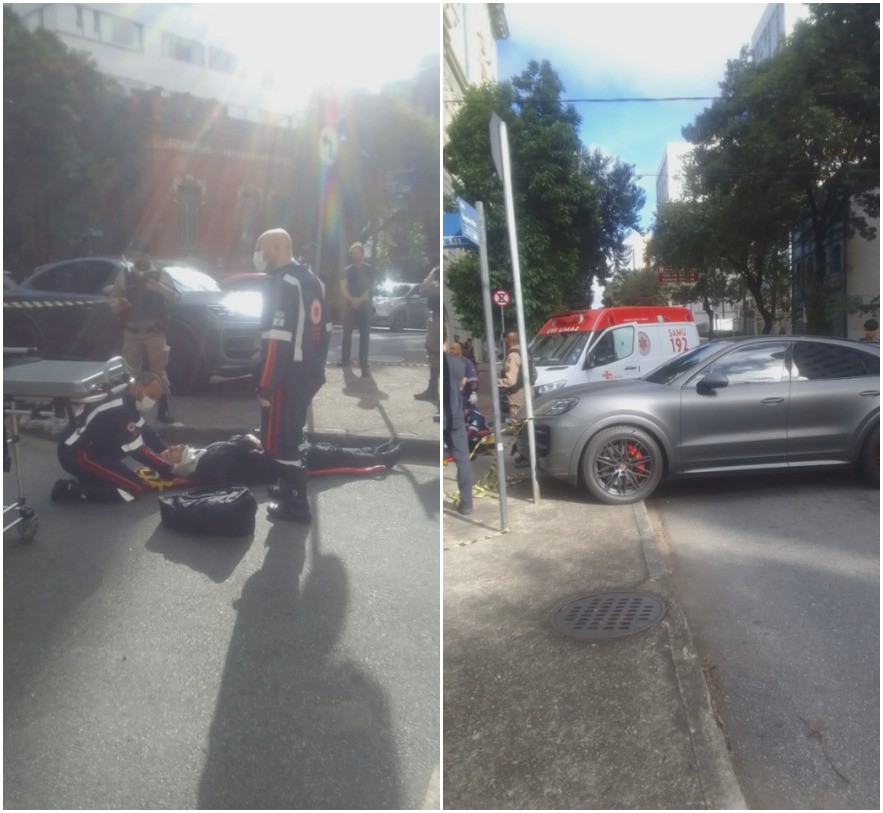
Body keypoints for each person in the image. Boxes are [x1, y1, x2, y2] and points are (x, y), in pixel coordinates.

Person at [254, 228, 331, 522]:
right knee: (294, 432)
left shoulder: (283, 283)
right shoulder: (313, 279)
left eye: (262, 249)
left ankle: (296, 504)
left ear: (277, 247)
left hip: (286, 374)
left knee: (281, 438)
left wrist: (266, 385)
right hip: (308, 371)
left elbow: (277, 340)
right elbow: (325, 331)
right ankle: (287, 488)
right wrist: (316, 367)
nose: (259, 256)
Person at [51, 371, 175, 503]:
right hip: (77, 453)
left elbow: (144, 429)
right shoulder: (121, 410)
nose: (152, 402)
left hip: (83, 444)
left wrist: (165, 450)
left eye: (156, 399)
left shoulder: (126, 397)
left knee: (122, 453)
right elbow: (137, 450)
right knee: (134, 487)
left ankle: (95, 476)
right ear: (139, 386)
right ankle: (71, 490)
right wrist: (167, 469)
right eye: (151, 396)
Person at [108, 236, 181, 423]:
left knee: (159, 371)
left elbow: (176, 298)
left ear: (149, 255)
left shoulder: (160, 275)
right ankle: (130, 410)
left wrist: (160, 288)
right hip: (132, 331)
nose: (137, 259)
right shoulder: (125, 275)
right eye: (135, 255)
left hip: (154, 332)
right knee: (130, 372)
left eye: (141, 255)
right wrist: (119, 304)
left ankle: (163, 409)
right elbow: (112, 300)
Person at [158, 435, 406, 485]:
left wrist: (246, 440)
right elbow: (235, 449)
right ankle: (386, 457)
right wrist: (247, 439)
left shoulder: (202, 454)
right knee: (333, 455)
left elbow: (234, 444)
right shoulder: (205, 465)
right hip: (276, 465)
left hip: (272, 453)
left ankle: (377, 449)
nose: (173, 445)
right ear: (177, 465)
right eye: (169, 452)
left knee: (332, 450)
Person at [443, 337, 473, 515]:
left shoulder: (434, 361)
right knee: (463, 460)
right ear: (445, 343)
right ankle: (467, 504)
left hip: (440, 419)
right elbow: (462, 384)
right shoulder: (458, 364)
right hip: (455, 417)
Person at [338, 241, 374, 377]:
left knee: (364, 336)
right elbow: (342, 288)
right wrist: (352, 299)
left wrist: (359, 300)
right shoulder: (347, 270)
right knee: (346, 334)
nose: (355, 255)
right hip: (349, 307)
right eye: (353, 253)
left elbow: (370, 289)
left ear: (362, 253)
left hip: (364, 307)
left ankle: (364, 364)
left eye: (357, 252)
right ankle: (345, 360)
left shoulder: (369, 270)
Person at [414, 266, 440, 404]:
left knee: (436, 354)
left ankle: (434, 391)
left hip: (439, 320)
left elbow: (424, 289)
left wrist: (431, 275)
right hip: (437, 318)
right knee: (434, 355)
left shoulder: (438, 281)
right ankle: (432, 389)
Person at [498, 329, 526, 426]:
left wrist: (496, 382)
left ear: (506, 341)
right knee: (527, 422)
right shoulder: (525, 351)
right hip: (528, 390)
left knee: (517, 425)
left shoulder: (513, 355)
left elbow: (510, 381)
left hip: (517, 394)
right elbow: (534, 373)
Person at [449, 340, 478, 410]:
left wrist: (473, 393)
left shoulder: (467, 363)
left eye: (453, 349)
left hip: (463, 396)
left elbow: (473, 379)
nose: (450, 351)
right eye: (450, 349)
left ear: (459, 350)